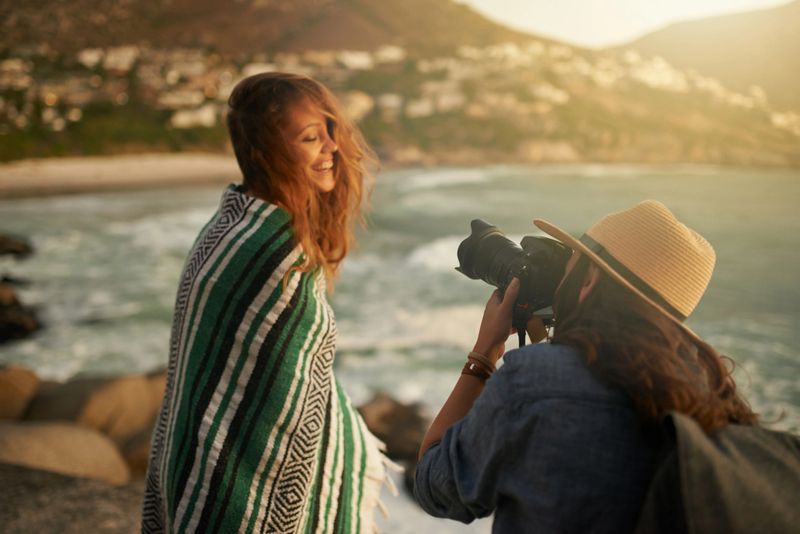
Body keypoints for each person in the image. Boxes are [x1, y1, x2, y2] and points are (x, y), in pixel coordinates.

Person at [414, 200, 759, 533]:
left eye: (571, 264)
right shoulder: (714, 400)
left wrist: (485, 352)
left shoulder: (535, 382)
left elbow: (434, 487)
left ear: (590, 279)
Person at [142, 72, 389, 534]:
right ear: (267, 154)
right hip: (237, 506)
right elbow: (289, 406)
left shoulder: (232, 226)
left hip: (189, 479)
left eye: (331, 132)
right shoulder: (268, 253)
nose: (332, 148)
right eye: (311, 138)